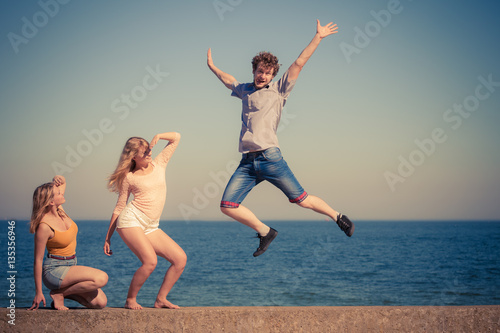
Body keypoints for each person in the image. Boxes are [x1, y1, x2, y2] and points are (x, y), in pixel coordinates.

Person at [207, 19, 354, 257]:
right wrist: (212, 66)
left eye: (267, 73)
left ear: (273, 74)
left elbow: (299, 62)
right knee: (227, 206)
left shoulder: (279, 90)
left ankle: (338, 216)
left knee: (301, 200)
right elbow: (228, 80)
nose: (262, 76)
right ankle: (266, 232)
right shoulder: (244, 90)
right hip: (247, 162)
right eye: (259, 71)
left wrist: (318, 37)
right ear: (253, 70)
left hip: (270, 158)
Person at [103, 132, 186, 310]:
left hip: (151, 225)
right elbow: (119, 207)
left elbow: (176, 137)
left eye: (149, 150)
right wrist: (108, 237)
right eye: (144, 152)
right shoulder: (129, 177)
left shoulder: (159, 163)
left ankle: (161, 299)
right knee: (150, 261)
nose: (149, 154)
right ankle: (130, 300)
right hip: (130, 221)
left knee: (180, 259)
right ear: (133, 156)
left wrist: (159, 136)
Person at [29, 175, 108, 310]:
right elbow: (38, 260)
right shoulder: (44, 226)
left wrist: (61, 180)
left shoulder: (60, 211)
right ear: (51, 202)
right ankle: (60, 294)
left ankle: (62, 294)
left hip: (71, 264)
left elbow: (61, 186)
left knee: (100, 303)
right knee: (101, 278)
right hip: (54, 270)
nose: (62, 193)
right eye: (58, 193)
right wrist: (38, 292)